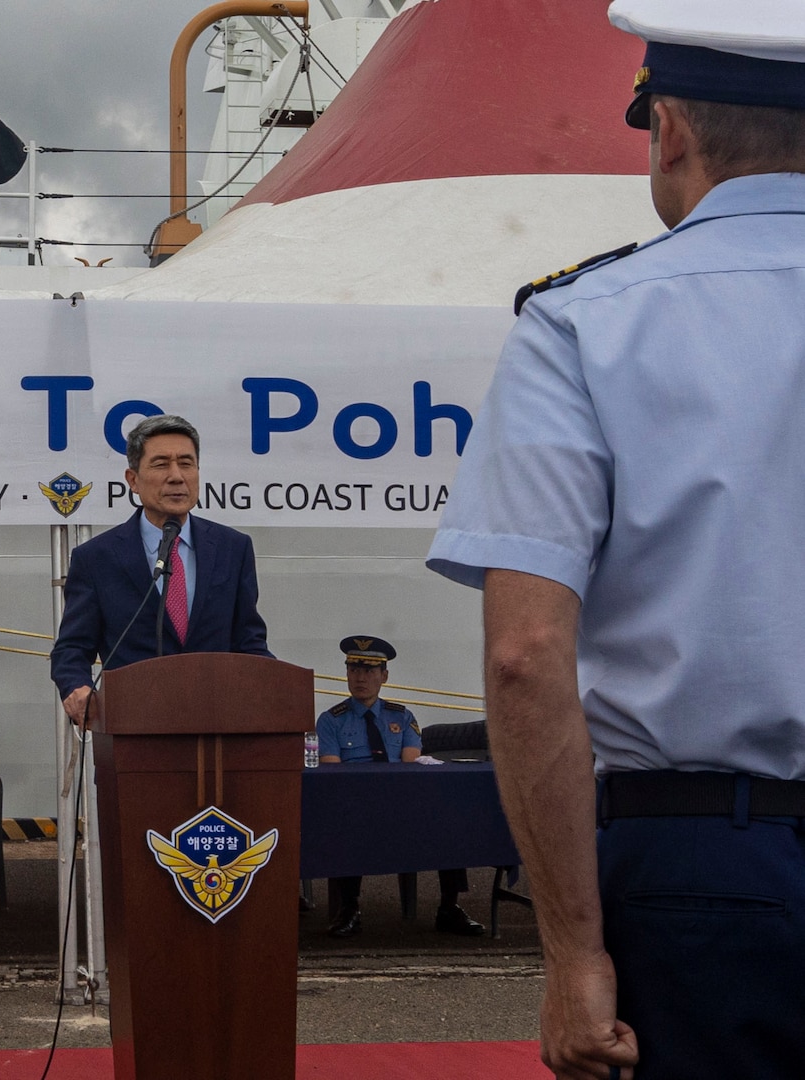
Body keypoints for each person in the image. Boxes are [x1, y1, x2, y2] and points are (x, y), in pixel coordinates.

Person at [427, 2, 805, 1076]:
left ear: (670, 127)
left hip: (703, 867)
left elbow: (526, 652)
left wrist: (571, 953)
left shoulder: (583, 322)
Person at [51, 414, 271, 725]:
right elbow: (72, 648)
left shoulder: (233, 548)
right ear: (133, 480)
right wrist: (77, 688)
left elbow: (249, 642)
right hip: (133, 733)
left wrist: (276, 688)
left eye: (186, 463)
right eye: (161, 464)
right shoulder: (96, 557)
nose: (176, 476)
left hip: (218, 729)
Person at [315, 636, 485, 938]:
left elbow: (411, 766)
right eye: (354, 670)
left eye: (369, 671)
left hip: (401, 803)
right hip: (356, 805)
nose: (360, 678)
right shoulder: (331, 721)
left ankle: (449, 907)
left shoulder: (402, 717)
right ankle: (349, 908)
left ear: (384, 676)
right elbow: (333, 773)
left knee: (447, 823)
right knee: (346, 824)